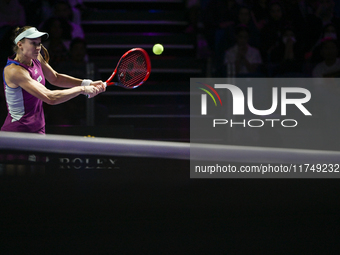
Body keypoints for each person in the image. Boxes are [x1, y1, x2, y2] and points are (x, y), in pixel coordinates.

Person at [1, 26, 106, 134]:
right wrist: (82, 89)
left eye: (39, 43)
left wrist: (87, 83)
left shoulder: (36, 58)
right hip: (18, 132)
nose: (38, 48)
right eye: (33, 43)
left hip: (38, 129)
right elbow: (50, 97)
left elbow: (55, 78)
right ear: (20, 44)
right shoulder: (14, 71)